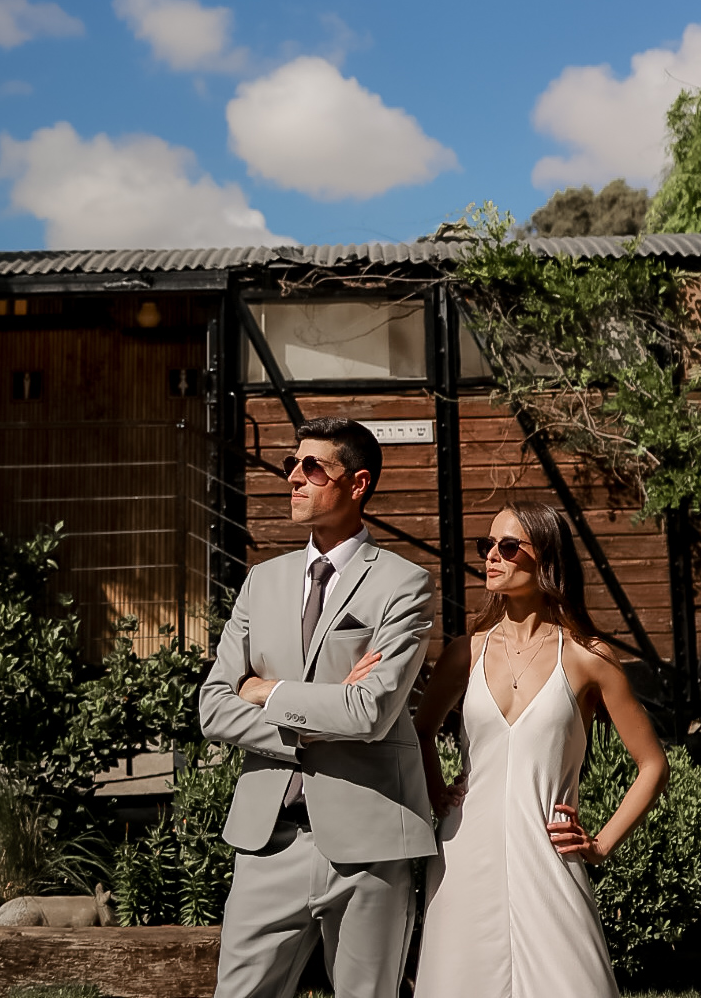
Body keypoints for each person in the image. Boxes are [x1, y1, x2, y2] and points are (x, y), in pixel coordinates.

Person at [198, 416, 437, 998]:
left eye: (312, 468)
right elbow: (213, 706)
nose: (293, 478)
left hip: (370, 843)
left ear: (358, 483)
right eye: (291, 465)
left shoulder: (405, 584)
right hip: (268, 841)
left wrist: (268, 692)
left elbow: (370, 713)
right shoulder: (262, 581)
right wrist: (315, 720)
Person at [413, 501, 669, 998]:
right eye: (487, 545)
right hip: (464, 853)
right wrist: (437, 795)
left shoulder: (588, 658)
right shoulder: (466, 652)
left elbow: (653, 765)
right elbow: (421, 730)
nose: (492, 556)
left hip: (549, 855)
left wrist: (600, 845)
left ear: (546, 557)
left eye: (509, 546)